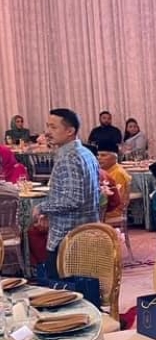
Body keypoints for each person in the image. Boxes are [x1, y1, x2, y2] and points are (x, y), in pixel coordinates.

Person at [34, 109, 100, 278]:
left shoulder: (69, 157)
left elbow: (72, 199)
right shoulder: (86, 153)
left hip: (67, 238)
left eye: (53, 127)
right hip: (85, 233)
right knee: (85, 291)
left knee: (64, 296)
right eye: (47, 126)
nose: (47, 132)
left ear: (70, 131)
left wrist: (43, 207)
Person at [96, 141, 132, 223]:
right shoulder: (105, 171)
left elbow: (116, 200)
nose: (99, 158)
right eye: (98, 155)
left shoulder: (118, 173)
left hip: (112, 212)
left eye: (104, 155)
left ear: (115, 158)